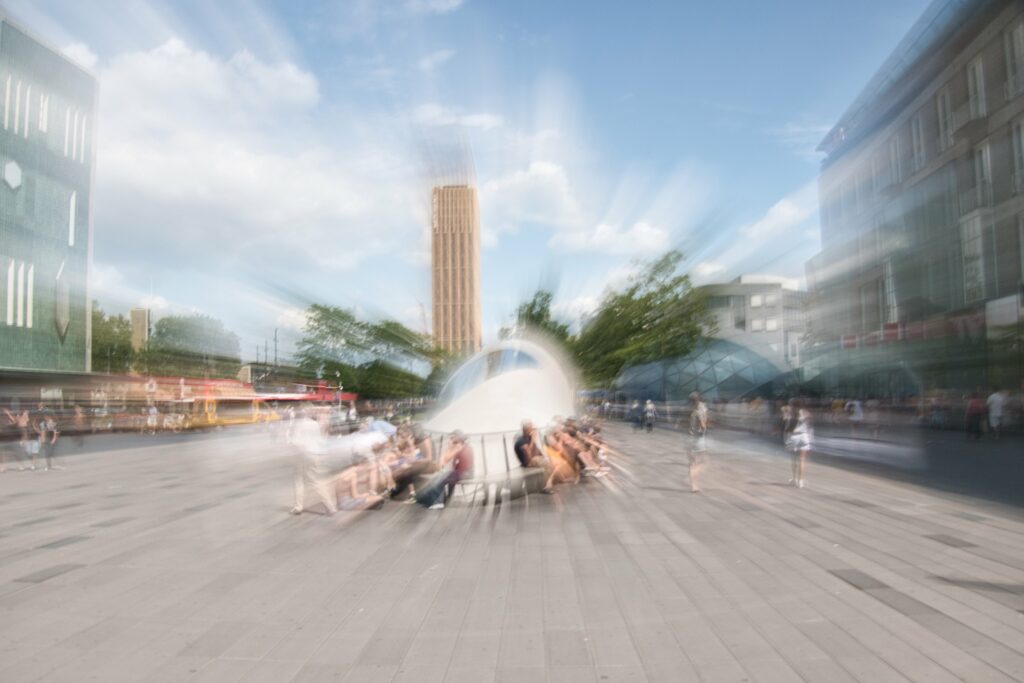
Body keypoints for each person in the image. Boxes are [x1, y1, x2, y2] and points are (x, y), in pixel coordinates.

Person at [687, 392, 709, 493]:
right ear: (698, 400)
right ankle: (695, 485)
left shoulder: (690, 410)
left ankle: (693, 485)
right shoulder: (700, 411)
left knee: (692, 464)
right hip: (698, 440)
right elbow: (703, 425)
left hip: (689, 438)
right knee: (699, 462)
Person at [788, 404, 813, 488]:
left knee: (794, 459)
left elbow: (789, 429)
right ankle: (801, 482)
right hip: (804, 436)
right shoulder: (807, 414)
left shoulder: (792, 414)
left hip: (795, 437)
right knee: (802, 460)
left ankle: (794, 479)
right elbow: (809, 427)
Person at [39, 404, 61, 470]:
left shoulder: (53, 423)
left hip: (52, 437)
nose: (46, 417)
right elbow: (43, 433)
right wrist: (42, 441)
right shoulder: (43, 423)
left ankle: (54, 462)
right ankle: (49, 465)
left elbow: (55, 432)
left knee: (51, 452)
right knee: (47, 453)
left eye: (47, 416)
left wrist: (54, 440)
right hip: (47, 438)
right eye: (45, 416)